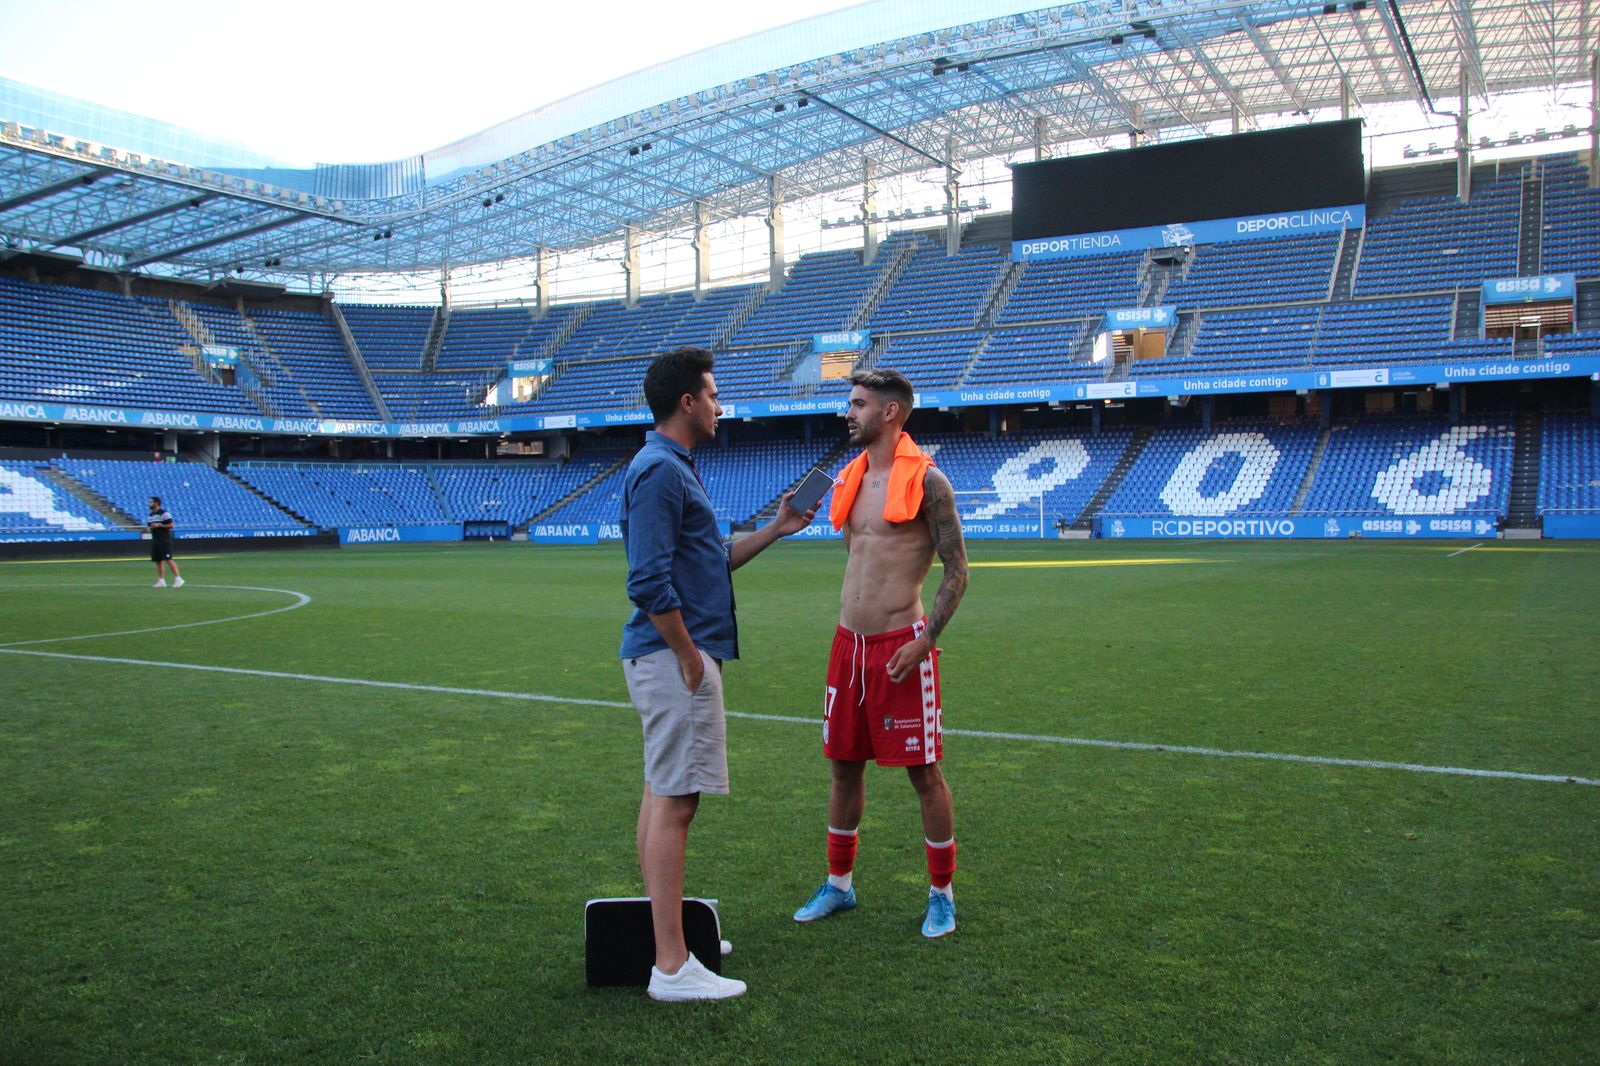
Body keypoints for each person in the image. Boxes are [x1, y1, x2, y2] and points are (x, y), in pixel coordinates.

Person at [619, 346, 818, 1002]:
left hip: (672, 654)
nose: (719, 404)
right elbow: (648, 580)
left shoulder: (674, 467)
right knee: (677, 802)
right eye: (711, 393)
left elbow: (706, 561)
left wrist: (777, 529)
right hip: (674, 656)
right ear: (686, 403)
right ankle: (672, 967)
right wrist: (687, 655)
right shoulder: (659, 470)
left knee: (664, 794)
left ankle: (669, 942)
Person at [793, 368, 969, 938]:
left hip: (902, 648)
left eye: (859, 403)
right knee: (844, 769)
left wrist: (925, 640)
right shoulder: (848, 477)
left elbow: (957, 571)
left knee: (924, 772)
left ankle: (941, 894)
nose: (849, 412)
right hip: (849, 646)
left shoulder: (930, 483)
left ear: (890, 413)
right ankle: (839, 886)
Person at [147, 497, 183, 589]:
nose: (149, 504)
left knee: (168, 559)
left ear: (156, 503)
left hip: (164, 539)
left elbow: (171, 525)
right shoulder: (150, 515)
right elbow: (149, 527)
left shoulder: (164, 514)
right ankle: (161, 580)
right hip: (155, 539)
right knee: (158, 561)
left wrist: (159, 525)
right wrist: (150, 528)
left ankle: (178, 578)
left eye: (151, 502)